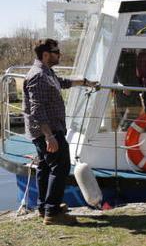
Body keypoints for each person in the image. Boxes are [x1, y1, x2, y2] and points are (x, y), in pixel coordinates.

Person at [23, 39, 97, 225]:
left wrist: (86, 82)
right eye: (56, 51)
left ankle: (44, 207)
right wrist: (49, 136)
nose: (59, 54)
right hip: (47, 132)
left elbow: (61, 82)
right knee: (61, 166)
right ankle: (53, 213)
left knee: (45, 167)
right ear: (46, 54)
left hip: (47, 131)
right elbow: (36, 109)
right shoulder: (38, 76)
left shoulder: (46, 73)